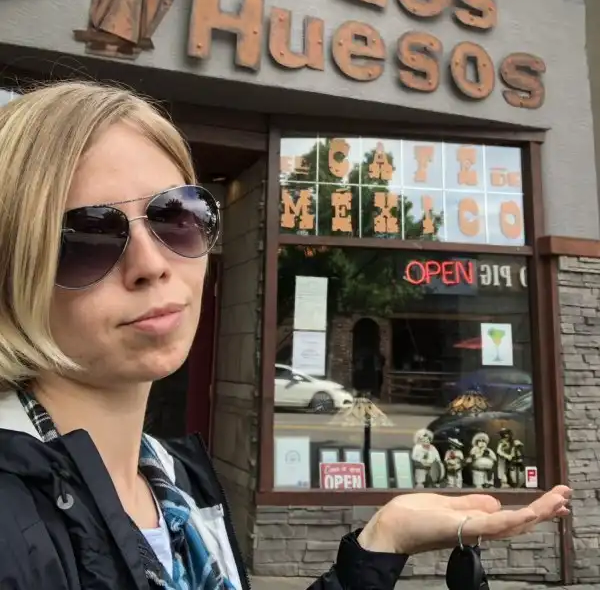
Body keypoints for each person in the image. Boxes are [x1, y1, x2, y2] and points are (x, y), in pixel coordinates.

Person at [0, 81, 570, 589]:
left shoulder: (172, 479)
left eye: (176, 217)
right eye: (88, 237)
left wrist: (381, 544)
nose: (152, 264)